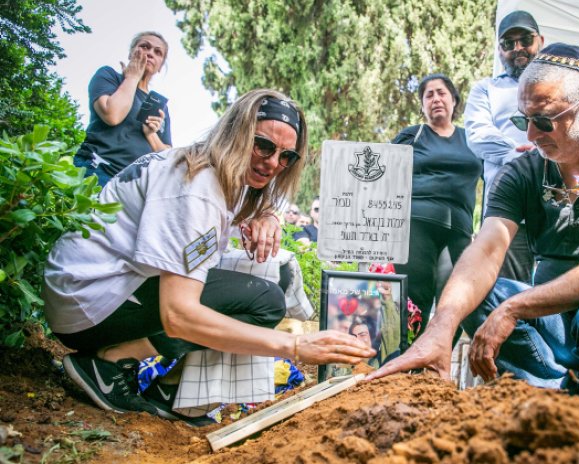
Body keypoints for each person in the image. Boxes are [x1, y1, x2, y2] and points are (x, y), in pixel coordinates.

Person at [369, 44, 579, 404]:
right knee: (470, 297)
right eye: (524, 121)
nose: (531, 137)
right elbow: (486, 249)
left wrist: (515, 307)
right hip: (556, 319)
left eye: (544, 121)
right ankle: (557, 401)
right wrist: (441, 327)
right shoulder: (522, 171)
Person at [43, 89, 375, 418]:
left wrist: (267, 214)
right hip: (87, 306)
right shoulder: (198, 188)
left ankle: (170, 391)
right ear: (236, 133)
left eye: (286, 156)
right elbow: (178, 315)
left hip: (93, 292)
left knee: (273, 283)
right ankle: (112, 363)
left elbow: (211, 233)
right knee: (261, 301)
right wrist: (295, 346)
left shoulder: (213, 170)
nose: (274, 162)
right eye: (264, 145)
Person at [391, 73, 481, 332]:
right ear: (422, 105)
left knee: (456, 302)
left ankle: (434, 367)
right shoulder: (413, 135)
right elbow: (382, 171)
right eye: (428, 95)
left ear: (454, 100)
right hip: (417, 224)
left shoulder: (472, 139)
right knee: (415, 299)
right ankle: (407, 365)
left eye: (441, 93)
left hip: (460, 230)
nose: (435, 99)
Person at [465, 10, 545, 283]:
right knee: (510, 290)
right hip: (510, 213)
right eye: (508, 44)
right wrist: (516, 154)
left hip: (557, 208)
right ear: (499, 50)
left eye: (525, 40)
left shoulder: (558, 83)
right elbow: (478, 134)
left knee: (558, 289)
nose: (517, 48)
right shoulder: (485, 89)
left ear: (540, 41)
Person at [73, 32, 172, 186]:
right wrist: (132, 77)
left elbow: (167, 157)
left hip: (132, 186)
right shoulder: (109, 76)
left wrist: (151, 134)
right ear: (131, 53)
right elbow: (112, 115)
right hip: (97, 171)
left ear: (160, 66)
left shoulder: (160, 106)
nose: (150, 53)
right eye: (144, 46)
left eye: (157, 52)